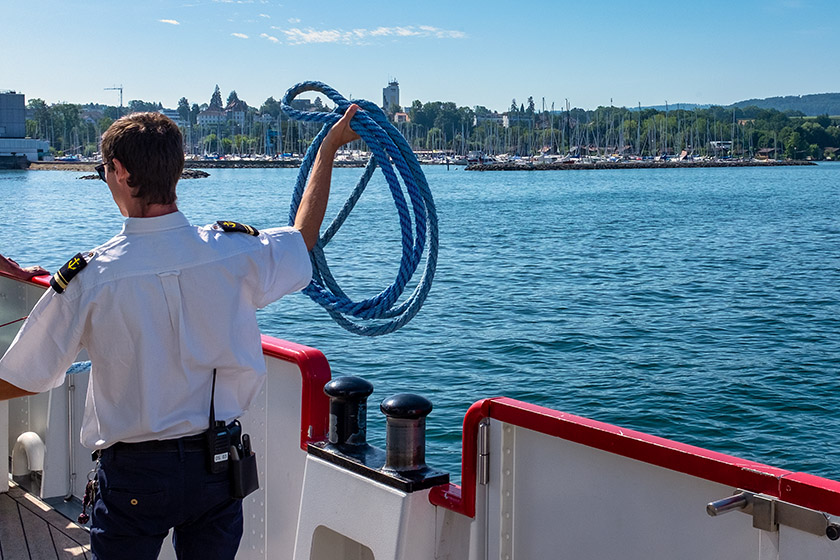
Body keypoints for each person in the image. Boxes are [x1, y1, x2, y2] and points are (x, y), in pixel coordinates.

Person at [0, 106, 360, 559]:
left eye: (104, 169)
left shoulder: (89, 279)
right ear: (176, 170)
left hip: (135, 477)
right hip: (218, 467)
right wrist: (327, 149)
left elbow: (23, 375)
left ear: (121, 172)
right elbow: (303, 235)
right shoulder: (233, 251)